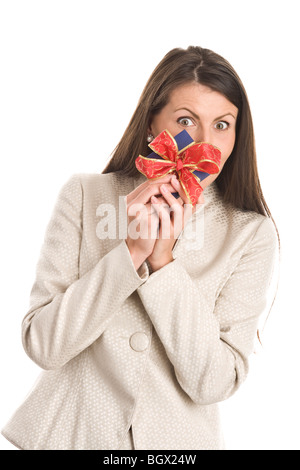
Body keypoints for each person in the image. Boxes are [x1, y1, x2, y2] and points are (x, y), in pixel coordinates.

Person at [1, 46, 278, 450]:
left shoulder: (251, 233)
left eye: (222, 124)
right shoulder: (84, 195)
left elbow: (214, 382)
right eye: (186, 120)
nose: (205, 141)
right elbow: (43, 345)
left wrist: (162, 263)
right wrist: (130, 252)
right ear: (152, 124)